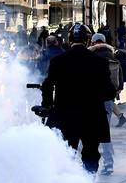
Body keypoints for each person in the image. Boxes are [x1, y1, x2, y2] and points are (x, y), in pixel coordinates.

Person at [41, 24, 117, 174]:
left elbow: (47, 85)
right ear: (88, 41)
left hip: (65, 115)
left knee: (66, 154)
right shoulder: (99, 62)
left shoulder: (58, 61)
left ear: (69, 40)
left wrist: (47, 106)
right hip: (92, 116)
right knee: (90, 155)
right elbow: (109, 92)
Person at [87, 33, 122, 175]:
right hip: (108, 100)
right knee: (105, 131)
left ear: (93, 42)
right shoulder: (113, 57)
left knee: (88, 131)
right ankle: (109, 163)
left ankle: (88, 161)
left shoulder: (90, 57)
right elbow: (120, 81)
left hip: (91, 99)